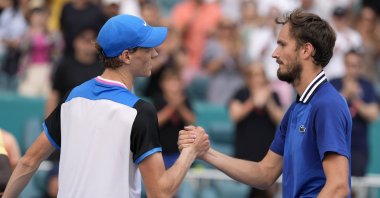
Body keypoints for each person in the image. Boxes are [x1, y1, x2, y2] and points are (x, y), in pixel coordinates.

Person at [3, 14, 209, 198]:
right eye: (148, 48)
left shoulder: (72, 98)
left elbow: (28, 162)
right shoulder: (140, 112)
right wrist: (190, 151)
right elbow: (161, 192)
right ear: (126, 56)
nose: (155, 54)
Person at [179, 9, 352, 197]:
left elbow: (338, 187)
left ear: (306, 50)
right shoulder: (296, 109)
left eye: (282, 45)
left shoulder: (327, 104)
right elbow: (265, 173)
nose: (274, 53)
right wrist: (205, 152)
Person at [229, 63, 283, 198]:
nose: (257, 78)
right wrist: (254, 100)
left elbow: (281, 120)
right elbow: (235, 116)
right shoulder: (241, 93)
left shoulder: (273, 95)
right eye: (253, 75)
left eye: (260, 75)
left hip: (267, 156)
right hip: (245, 155)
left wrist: (268, 99)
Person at [154, 68, 196, 169]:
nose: (173, 85)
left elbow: (191, 119)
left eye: (176, 81)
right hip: (161, 151)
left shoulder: (185, 99)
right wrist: (173, 106)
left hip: (179, 151)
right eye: (169, 81)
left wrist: (180, 106)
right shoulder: (159, 99)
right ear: (162, 84)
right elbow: (156, 121)